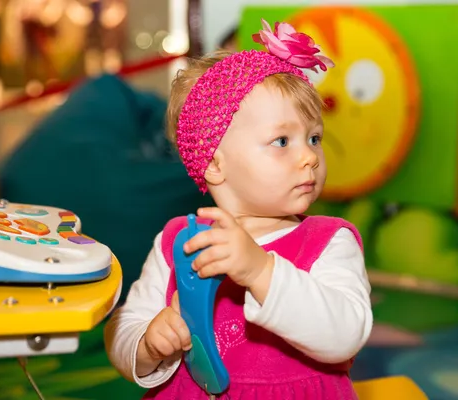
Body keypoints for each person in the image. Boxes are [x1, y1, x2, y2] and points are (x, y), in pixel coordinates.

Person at [104, 19, 373, 399]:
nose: (309, 157)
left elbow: (346, 334)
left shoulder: (329, 241)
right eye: (282, 140)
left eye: (314, 138)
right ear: (215, 164)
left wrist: (261, 270)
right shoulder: (177, 241)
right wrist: (147, 345)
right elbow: (123, 329)